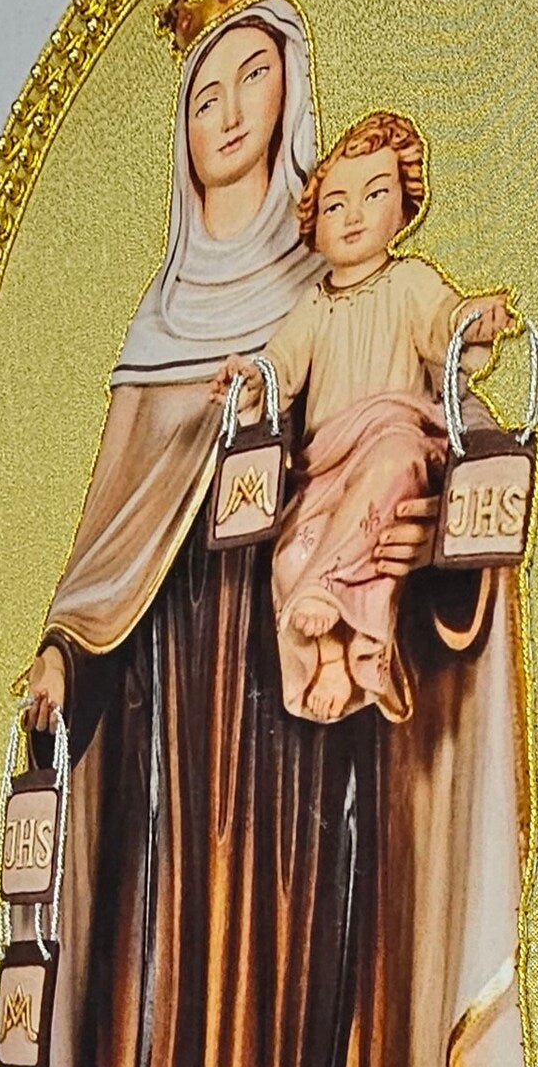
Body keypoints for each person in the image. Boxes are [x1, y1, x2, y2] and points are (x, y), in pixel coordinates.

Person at [21, 0, 531, 1067]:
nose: (222, 107)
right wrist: (65, 650)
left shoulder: (362, 307)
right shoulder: (163, 336)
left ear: (299, 110)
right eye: (199, 88)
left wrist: (427, 550)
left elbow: (450, 505)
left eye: (251, 76)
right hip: (167, 805)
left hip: (307, 789)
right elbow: (108, 555)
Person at [218, 109, 511, 724]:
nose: (352, 216)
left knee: (389, 476)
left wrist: (472, 320)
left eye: (374, 195)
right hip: (326, 465)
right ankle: (338, 654)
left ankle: (352, 621)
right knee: (289, 555)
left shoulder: (409, 282)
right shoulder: (313, 306)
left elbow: (445, 324)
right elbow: (281, 367)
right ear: (313, 225)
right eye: (335, 204)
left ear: (404, 207)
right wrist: (250, 380)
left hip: (393, 437)